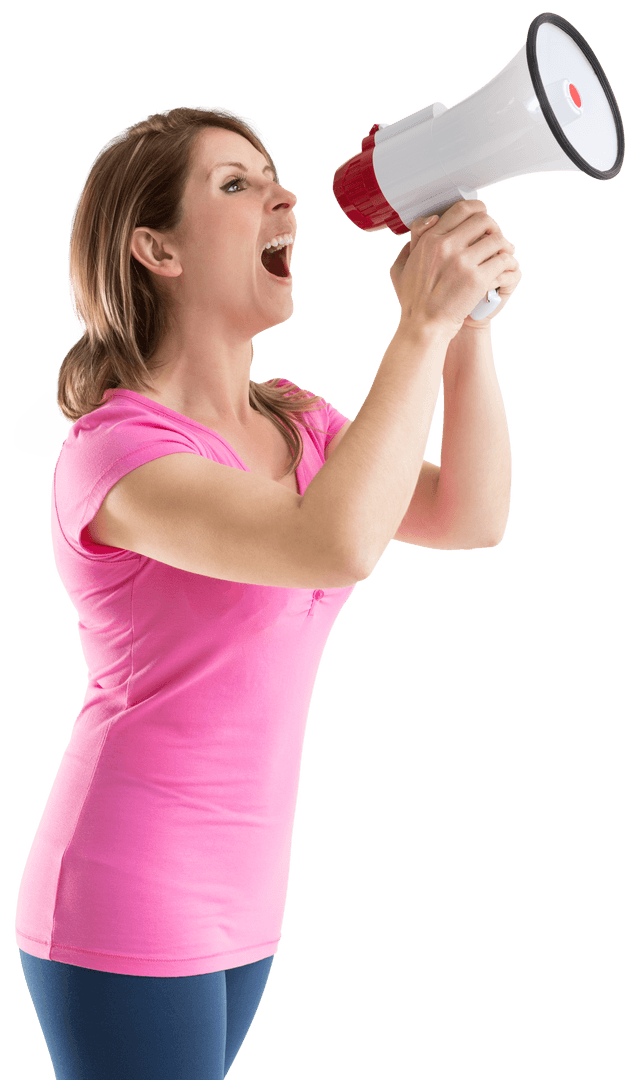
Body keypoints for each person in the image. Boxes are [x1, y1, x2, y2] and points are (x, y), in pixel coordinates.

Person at [14, 105, 521, 1079]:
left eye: (272, 174)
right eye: (236, 184)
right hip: (126, 893)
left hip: (245, 903)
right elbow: (327, 544)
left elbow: (469, 514)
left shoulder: (303, 426)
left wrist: (463, 323)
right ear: (153, 248)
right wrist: (416, 323)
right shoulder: (115, 451)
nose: (284, 195)